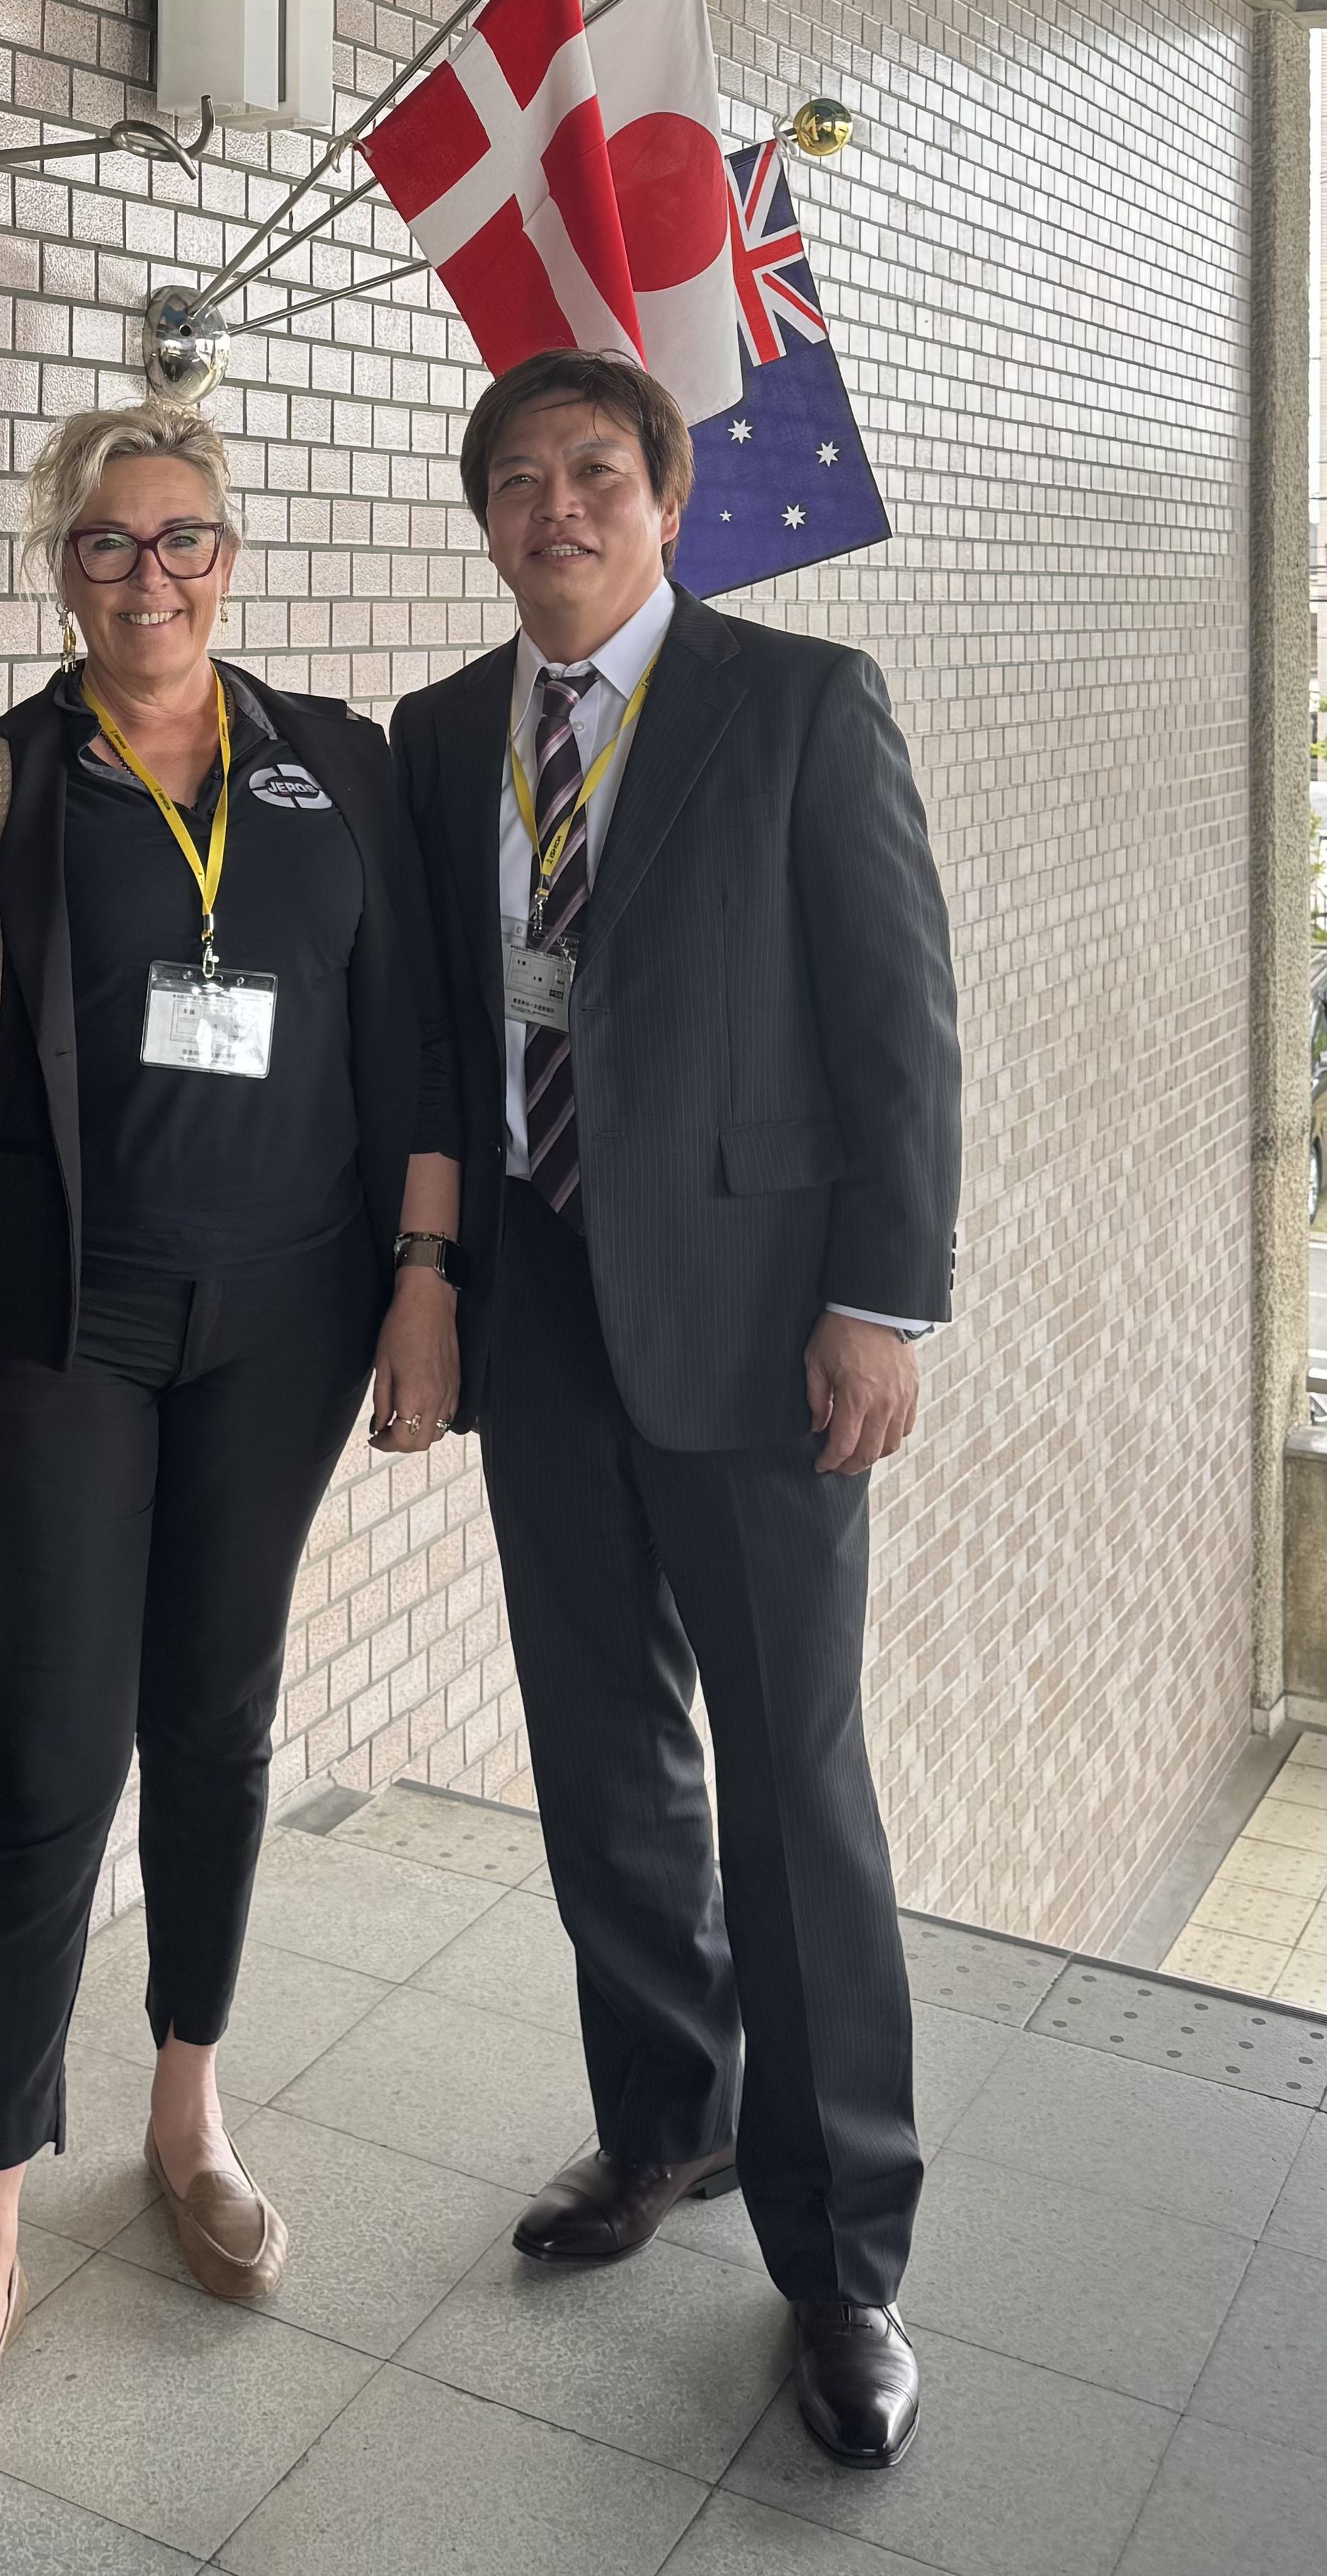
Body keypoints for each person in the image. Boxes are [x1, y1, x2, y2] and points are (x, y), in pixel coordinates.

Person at [0, 401, 462, 2487]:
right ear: (61, 567)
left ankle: (186, 2113)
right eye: (110, 547)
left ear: (232, 554)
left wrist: (422, 1272)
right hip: (65, 1335)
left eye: (186, 540)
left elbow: (414, 1047)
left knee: (218, 1717)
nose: (152, 578)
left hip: (288, 1324)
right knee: (42, 1755)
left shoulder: (335, 770)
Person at [391, 347, 958, 2473]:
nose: (559, 508)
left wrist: (878, 1305)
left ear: (669, 494)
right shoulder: (452, 737)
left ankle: (842, 2261)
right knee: (602, 1754)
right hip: (537, 1324)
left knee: (796, 1794)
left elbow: (901, 1029)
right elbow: (451, 1048)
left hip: (758, 1339)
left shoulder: (800, 705)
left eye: (596, 474)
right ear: (490, 515)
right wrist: (427, 1292)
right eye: (520, 480)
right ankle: (665, 2128)